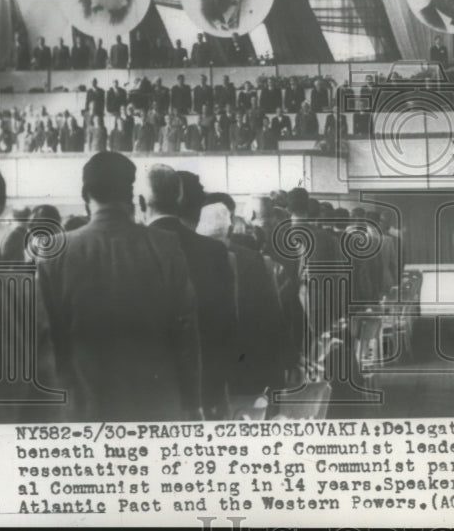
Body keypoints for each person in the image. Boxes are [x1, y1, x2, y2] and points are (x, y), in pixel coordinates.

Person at [34, 152, 200, 421]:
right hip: (157, 406)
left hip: (85, 408)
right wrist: (192, 403)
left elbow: (48, 341)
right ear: (130, 194)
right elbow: (186, 332)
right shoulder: (165, 246)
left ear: (85, 194)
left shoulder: (54, 252)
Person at [143, 167, 236, 419]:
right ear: (179, 198)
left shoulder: (131, 249)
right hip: (204, 386)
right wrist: (218, 390)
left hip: (148, 392)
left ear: (141, 202)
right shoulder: (213, 252)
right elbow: (227, 324)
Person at [197, 197, 290, 397]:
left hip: (208, 370)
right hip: (251, 367)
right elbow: (272, 314)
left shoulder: (191, 260)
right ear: (230, 230)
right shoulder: (254, 259)